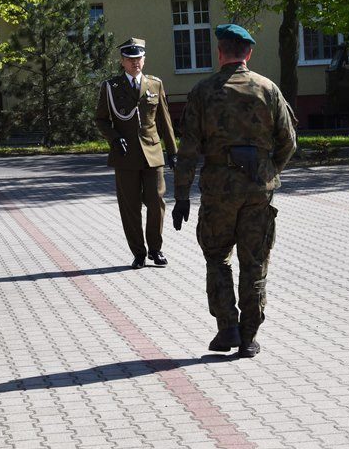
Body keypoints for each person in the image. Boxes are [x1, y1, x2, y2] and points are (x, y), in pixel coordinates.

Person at [172, 24, 296, 359]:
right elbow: (288, 142)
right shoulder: (268, 89)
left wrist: (180, 194)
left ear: (220, 52)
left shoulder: (202, 91)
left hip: (218, 192)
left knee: (217, 257)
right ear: (249, 54)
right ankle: (249, 336)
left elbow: (188, 149)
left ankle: (227, 327)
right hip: (258, 191)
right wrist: (268, 173)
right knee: (254, 262)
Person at [94, 38, 178, 269]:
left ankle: (156, 249)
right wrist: (114, 137)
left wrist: (173, 151)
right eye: (130, 59)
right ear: (122, 61)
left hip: (152, 153)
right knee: (130, 207)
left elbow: (165, 121)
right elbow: (101, 119)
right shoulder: (111, 87)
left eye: (138, 58)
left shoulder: (154, 84)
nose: (135, 63)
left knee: (156, 202)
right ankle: (139, 253)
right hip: (126, 156)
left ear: (144, 59)